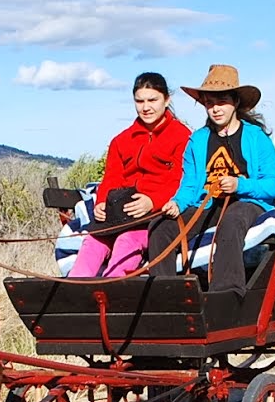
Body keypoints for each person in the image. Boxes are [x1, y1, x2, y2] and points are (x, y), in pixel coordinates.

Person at [148, 64, 275, 295]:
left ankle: (226, 295)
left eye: (221, 102)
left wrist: (240, 185)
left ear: (235, 102)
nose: (215, 109)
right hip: (208, 204)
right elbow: (190, 184)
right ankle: (166, 295)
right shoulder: (197, 141)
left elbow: (272, 185)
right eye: (210, 103)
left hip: (248, 204)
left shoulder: (256, 138)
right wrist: (177, 203)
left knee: (232, 220)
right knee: (160, 226)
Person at [68, 72, 192, 278]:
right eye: (139, 101)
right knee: (93, 241)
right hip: (119, 213)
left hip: (153, 215)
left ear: (167, 100)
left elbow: (181, 180)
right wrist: (101, 203)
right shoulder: (122, 140)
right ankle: (73, 293)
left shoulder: (182, 137)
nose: (146, 107)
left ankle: (111, 291)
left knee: (127, 241)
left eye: (153, 100)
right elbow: (111, 178)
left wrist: (153, 201)